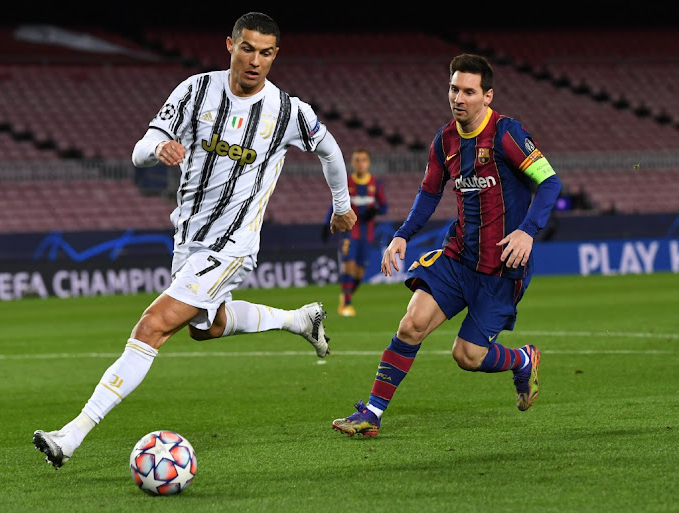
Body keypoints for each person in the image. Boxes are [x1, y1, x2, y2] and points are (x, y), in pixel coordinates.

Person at [32, 11, 356, 468]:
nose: (255, 60)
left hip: (234, 245)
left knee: (152, 326)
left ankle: (71, 435)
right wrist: (158, 149)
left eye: (265, 53)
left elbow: (329, 149)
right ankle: (299, 320)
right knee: (209, 327)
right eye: (247, 48)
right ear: (230, 45)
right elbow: (141, 149)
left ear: (275, 55)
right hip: (188, 240)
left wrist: (341, 206)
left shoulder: (287, 110)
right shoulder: (195, 91)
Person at [332, 54, 561, 437]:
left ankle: (522, 359)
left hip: (501, 267)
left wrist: (527, 231)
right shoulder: (445, 141)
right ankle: (371, 413)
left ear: (487, 96)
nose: (459, 97)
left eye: (469, 91)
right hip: (457, 256)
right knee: (412, 324)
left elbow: (550, 183)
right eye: (454, 88)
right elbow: (428, 193)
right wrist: (402, 234)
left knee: (466, 356)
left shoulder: (507, 134)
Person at [322, 148, 387, 316]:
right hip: (349, 231)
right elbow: (334, 205)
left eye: (363, 160)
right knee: (349, 266)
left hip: (368, 233)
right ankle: (347, 304)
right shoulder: (347, 182)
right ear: (352, 163)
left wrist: (375, 211)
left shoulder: (376, 183)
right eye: (357, 160)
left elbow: (385, 206)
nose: (360, 164)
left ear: (368, 163)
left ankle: (346, 296)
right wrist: (325, 224)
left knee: (359, 273)